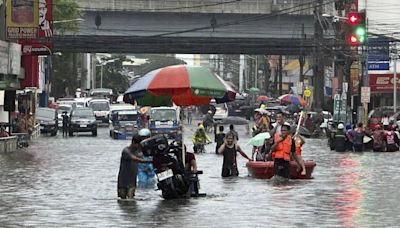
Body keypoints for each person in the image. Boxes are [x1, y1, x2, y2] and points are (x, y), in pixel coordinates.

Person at [117, 134, 152, 199]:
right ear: (133, 143)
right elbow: (135, 159)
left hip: (132, 182)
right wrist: (148, 161)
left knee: (131, 200)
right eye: (138, 145)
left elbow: (145, 154)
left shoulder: (138, 151)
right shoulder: (126, 151)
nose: (138, 147)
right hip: (123, 182)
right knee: (122, 200)